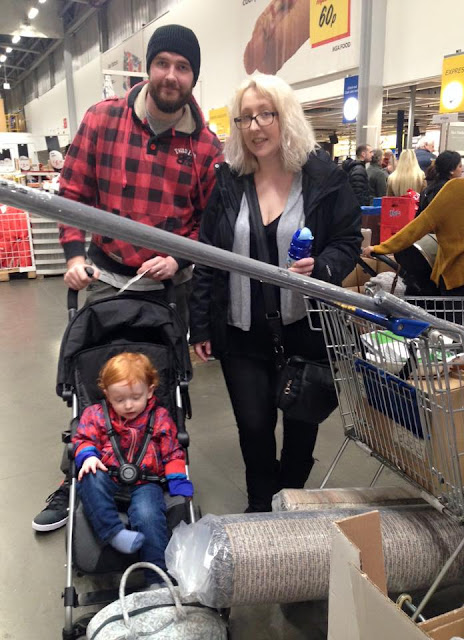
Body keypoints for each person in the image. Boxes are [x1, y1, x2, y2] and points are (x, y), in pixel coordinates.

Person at [33, 24, 222, 533]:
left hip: (166, 286)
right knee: (97, 382)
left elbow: (209, 225)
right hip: (105, 276)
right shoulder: (103, 120)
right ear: (148, 68)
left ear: (193, 77)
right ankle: (76, 472)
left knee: (159, 386)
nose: (171, 75)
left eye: (183, 67)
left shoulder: (205, 146)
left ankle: (164, 473)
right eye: (163, 63)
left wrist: (180, 263)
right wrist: (74, 254)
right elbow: (71, 191)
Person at [189, 74, 362, 512]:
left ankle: (291, 502)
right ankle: (260, 507)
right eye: (245, 117)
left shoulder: (322, 177)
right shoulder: (229, 180)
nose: (254, 126)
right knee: (254, 428)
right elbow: (209, 254)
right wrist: (200, 323)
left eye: (266, 114)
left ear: (286, 118)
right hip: (241, 333)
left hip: (305, 329)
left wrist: (322, 268)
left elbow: (347, 241)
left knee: (302, 428)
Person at [73, 352, 193, 585]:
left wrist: (178, 481)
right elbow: (83, 438)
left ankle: (157, 578)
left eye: (135, 397)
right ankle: (114, 533)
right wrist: (87, 456)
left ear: (150, 391)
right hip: (107, 476)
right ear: (106, 394)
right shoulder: (95, 415)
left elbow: (172, 451)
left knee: (149, 516)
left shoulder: (159, 418)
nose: (128, 405)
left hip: (146, 483)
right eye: (119, 400)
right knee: (88, 477)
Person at [363, 133, 464, 296]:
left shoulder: (455, 189)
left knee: (453, 321)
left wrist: (381, 248)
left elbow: (418, 227)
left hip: (461, 278)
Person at [416, 150, 462, 216]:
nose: (461, 170)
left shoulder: (429, 189)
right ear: (451, 170)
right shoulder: (449, 190)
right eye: (459, 166)